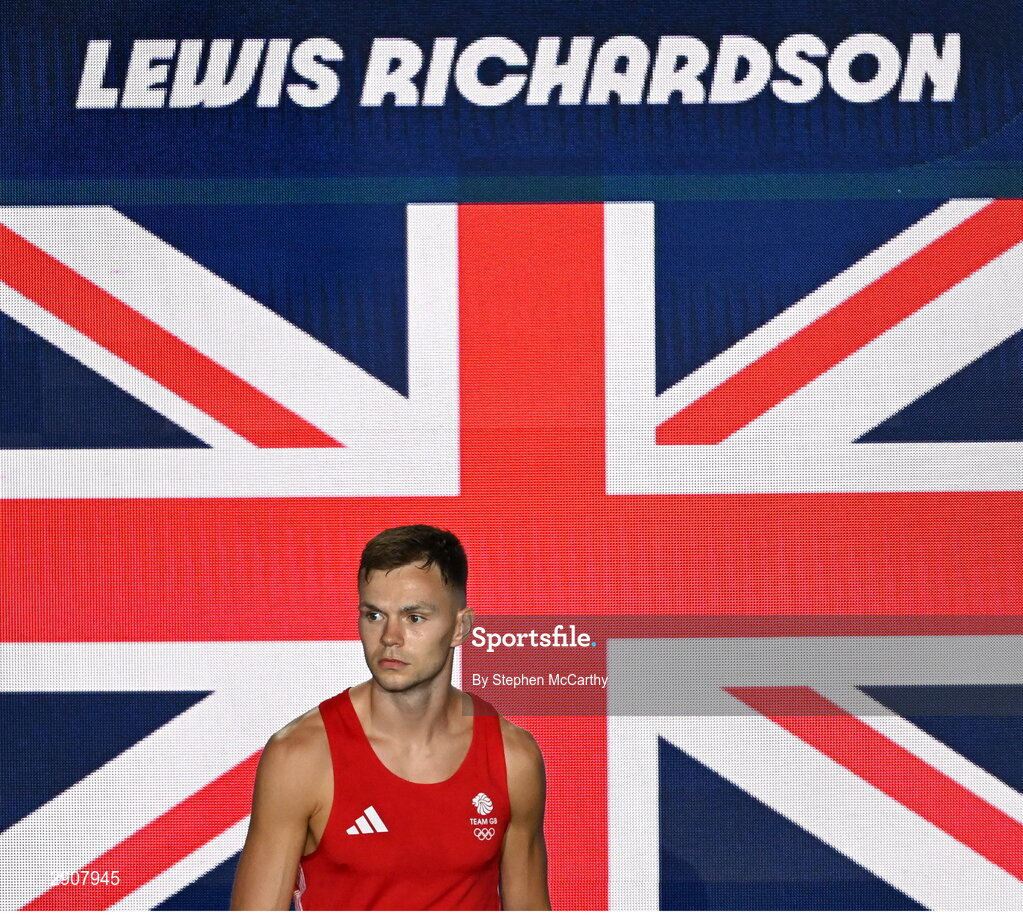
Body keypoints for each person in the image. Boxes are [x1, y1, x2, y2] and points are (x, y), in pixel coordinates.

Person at [230, 525, 550, 910]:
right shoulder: (302, 756)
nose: (390, 637)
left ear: (460, 628)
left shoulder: (513, 758)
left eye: (414, 618)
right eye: (375, 615)